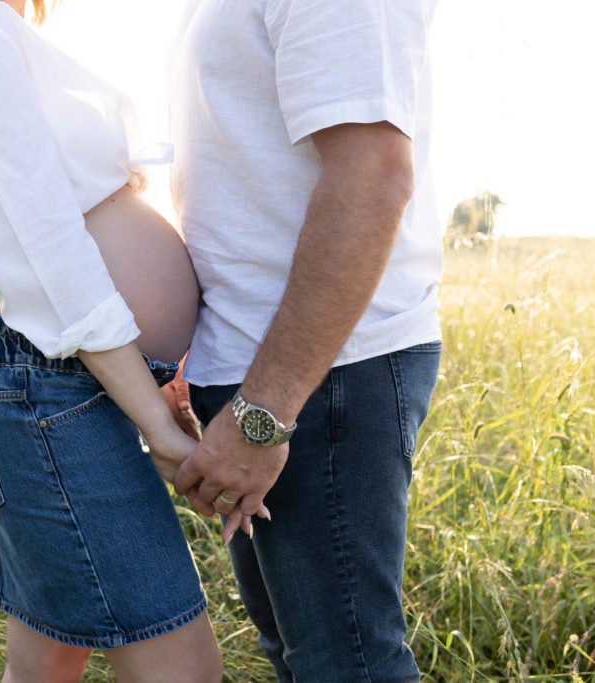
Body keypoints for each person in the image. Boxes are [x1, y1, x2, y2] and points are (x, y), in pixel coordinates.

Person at [0, 0, 260, 680]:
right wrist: (154, 420)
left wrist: (156, 382)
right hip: (46, 389)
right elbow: (47, 250)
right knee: (183, 671)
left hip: (63, 383)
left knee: (48, 663)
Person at [168, 0, 444, 680]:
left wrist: (265, 411)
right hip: (265, 369)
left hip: (322, 374)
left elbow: (373, 173)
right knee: (304, 657)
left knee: (344, 662)